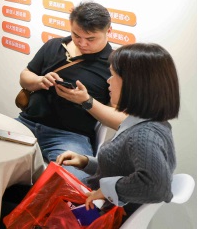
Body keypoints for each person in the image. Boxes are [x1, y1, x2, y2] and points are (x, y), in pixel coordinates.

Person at [56, 43, 179, 214]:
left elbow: (156, 187)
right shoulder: (147, 124)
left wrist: (105, 191)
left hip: (93, 215)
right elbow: (121, 169)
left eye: (113, 75)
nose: (108, 81)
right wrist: (85, 162)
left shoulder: (144, 134)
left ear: (134, 84)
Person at [17, 1, 126, 181]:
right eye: (76, 35)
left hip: (70, 136)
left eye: (91, 39)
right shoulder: (54, 45)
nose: (82, 43)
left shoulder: (115, 64)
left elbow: (121, 120)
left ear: (109, 31)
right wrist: (39, 81)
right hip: (27, 123)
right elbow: (25, 76)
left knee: (73, 183)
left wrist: (86, 101)